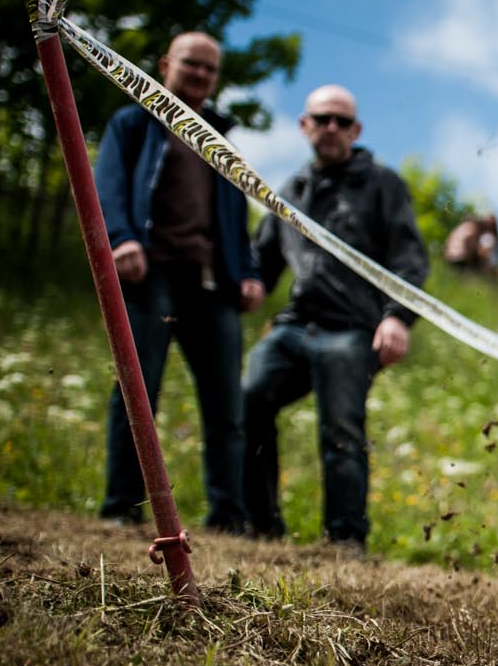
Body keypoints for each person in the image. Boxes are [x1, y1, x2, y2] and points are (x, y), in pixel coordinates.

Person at [243, 85, 426, 552]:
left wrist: (397, 318)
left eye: (341, 121)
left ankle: (345, 539)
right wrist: (244, 283)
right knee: (247, 400)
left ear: (356, 130)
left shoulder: (384, 185)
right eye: (321, 119)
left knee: (341, 428)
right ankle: (259, 526)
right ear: (304, 125)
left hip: (354, 330)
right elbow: (262, 261)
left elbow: (409, 259)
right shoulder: (289, 192)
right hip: (294, 325)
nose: (331, 128)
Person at [94, 32, 265, 533]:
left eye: (210, 70)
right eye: (192, 65)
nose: (201, 76)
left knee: (226, 404)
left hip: (212, 286)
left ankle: (228, 515)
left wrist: (249, 273)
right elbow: (106, 187)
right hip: (151, 278)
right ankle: (122, 508)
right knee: (138, 391)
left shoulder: (220, 141)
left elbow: (236, 219)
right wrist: (122, 238)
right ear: (166, 62)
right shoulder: (132, 125)